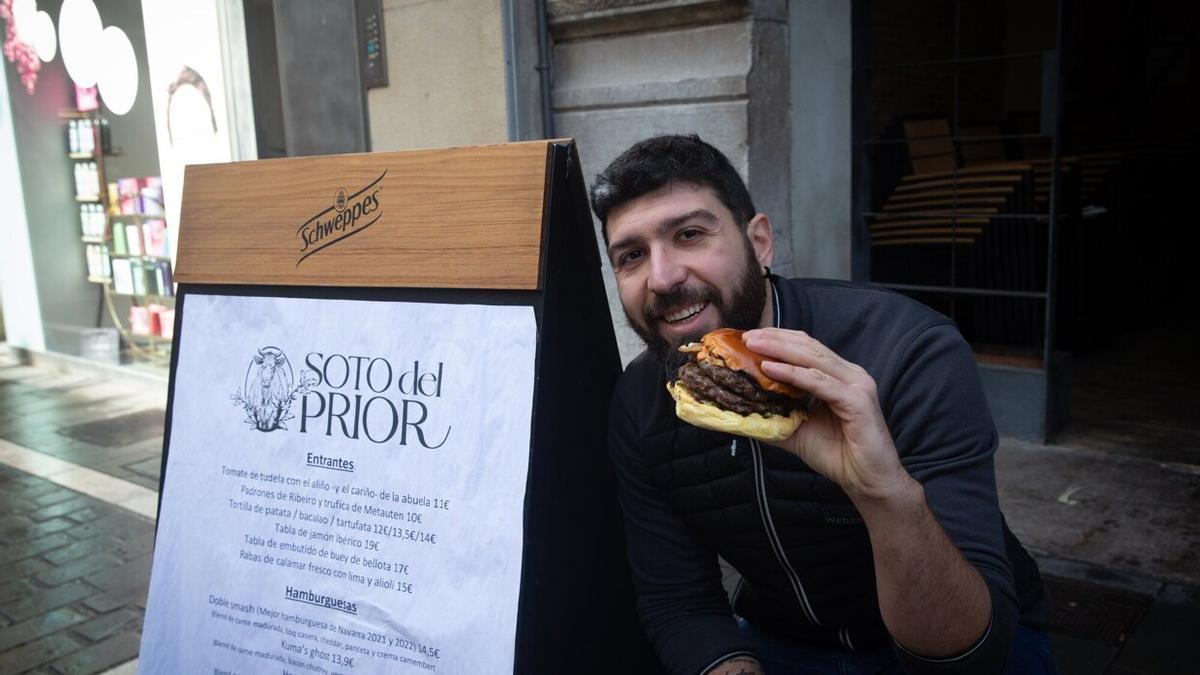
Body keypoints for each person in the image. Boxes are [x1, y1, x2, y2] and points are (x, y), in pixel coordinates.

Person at [590, 135, 1054, 675]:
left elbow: (963, 654)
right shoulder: (640, 402)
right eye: (631, 256)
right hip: (779, 641)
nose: (663, 277)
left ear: (759, 242)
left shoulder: (904, 349)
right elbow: (679, 599)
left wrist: (881, 491)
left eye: (690, 235)